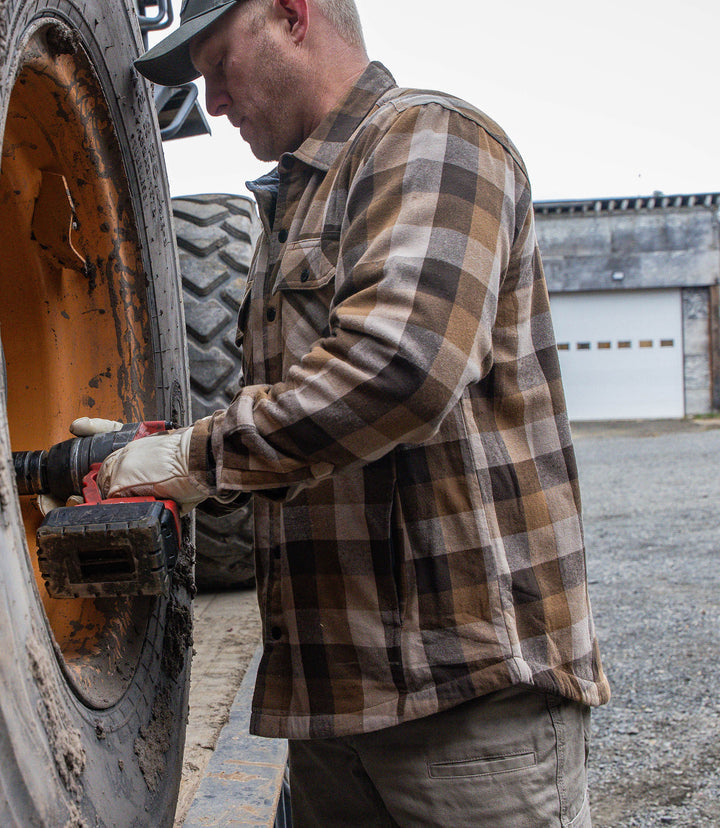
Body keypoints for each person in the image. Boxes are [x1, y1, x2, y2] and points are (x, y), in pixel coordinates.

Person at [100, 0, 611, 824]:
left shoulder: (428, 141)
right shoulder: (297, 204)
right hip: (335, 710)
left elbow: (395, 370)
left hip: (462, 712)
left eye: (219, 65)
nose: (214, 102)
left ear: (293, 16)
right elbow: (302, 422)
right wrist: (164, 449)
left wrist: (193, 462)